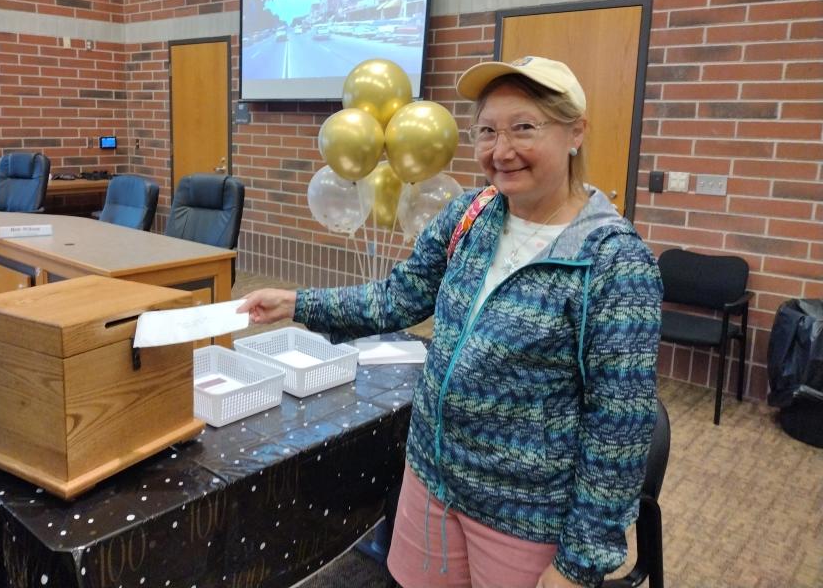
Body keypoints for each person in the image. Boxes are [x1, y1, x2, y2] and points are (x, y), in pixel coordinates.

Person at [238, 56, 662, 588]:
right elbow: (397, 296)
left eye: (524, 128)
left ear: (575, 132)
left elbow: (619, 429)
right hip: (431, 481)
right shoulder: (471, 214)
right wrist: (299, 303)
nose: (500, 150)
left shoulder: (613, 261)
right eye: (487, 131)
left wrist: (578, 564)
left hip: (523, 517)